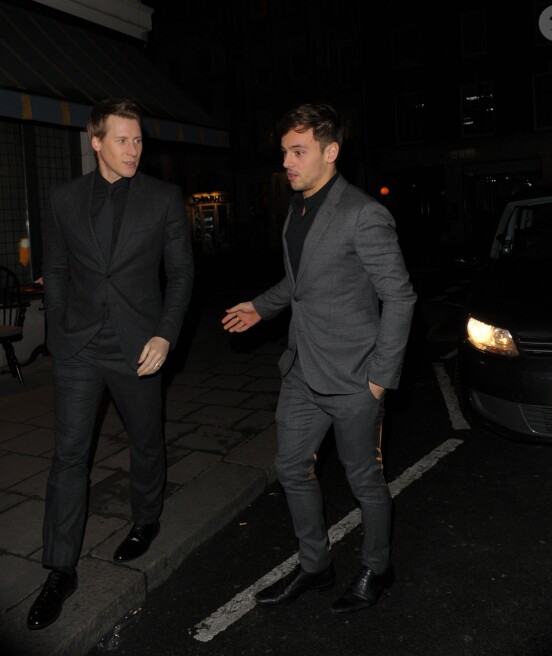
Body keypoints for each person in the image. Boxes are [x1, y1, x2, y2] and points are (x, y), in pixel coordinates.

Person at [222, 103, 416, 614]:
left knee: (364, 482)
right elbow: (301, 283)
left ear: (330, 152)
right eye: (285, 151)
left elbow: (400, 296)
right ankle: (315, 565)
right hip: (303, 371)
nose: (287, 161)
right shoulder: (297, 209)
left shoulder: (363, 214)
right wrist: (260, 308)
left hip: (355, 380)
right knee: (291, 468)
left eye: (298, 151)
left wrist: (379, 380)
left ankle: (377, 567)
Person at [27, 98, 194, 630]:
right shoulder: (63, 198)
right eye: (122, 140)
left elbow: (183, 275)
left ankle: (146, 519)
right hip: (78, 346)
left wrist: (166, 336)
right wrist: (56, 330)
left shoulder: (163, 198)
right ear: (95, 142)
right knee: (68, 455)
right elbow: (53, 267)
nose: (133, 150)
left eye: (139, 140)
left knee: (146, 440)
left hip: (138, 345)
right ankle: (59, 568)